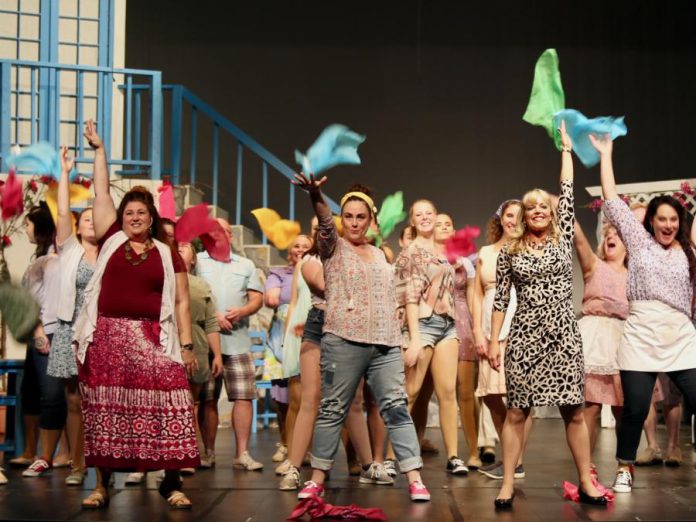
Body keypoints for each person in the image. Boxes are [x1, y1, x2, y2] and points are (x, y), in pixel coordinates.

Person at [74, 120, 199, 509]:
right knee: (105, 408)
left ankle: (171, 480)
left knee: (173, 395)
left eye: (141, 213)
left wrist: (188, 344)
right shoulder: (111, 239)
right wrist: (99, 150)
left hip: (153, 338)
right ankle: (101, 485)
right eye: (129, 212)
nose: (134, 218)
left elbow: (180, 302)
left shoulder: (168, 254)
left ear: (151, 218)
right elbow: (100, 190)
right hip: (108, 336)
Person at [292, 174, 430, 502]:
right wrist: (316, 194)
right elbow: (325, 224)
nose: (354, 223)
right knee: (333, 408)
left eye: (360, 217)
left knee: (396, 407)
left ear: (370, 220)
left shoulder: (381, 255)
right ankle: (317, 478)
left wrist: (402, 335)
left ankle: (414, 477)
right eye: (349, 216)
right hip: (344, 338)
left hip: (384, 343)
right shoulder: (334, 248)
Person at [489, 122, 606, 508]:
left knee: (574, 411)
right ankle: (507, 483)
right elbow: (501, 300)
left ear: (551, 213)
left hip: (563, 335)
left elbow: (568, 191)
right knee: (517, 411)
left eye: (544, 206)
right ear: (523, 215)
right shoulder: (509, 251)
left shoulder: (564, 235)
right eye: (532, 207)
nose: (539, 211)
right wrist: (493, 340)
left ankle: (587, 483)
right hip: (524, 336)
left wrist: (566, 151)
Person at [590, 132, 696, 493]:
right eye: (662, 219)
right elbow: (612, 199)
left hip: (680, 336)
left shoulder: (687, 251)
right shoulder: (638, 241)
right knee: (634, 408)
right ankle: (624, 467)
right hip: (640, 335)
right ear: (651, 221)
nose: (668, 225)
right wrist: (607, 154)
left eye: (674, 220)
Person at [394, 200, 467, 476]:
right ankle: (392, 457)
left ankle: (453, 456)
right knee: (410, 392)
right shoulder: (410, 253)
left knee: (448, 392)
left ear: (435, 217)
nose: (425, 218)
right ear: (412, 221)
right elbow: (409, 298)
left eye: (429, 213)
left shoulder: (442, 251)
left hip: (447, 325)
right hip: (421, 324)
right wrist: (413, 339)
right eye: (419, 214)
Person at [41, 147, 98, 485]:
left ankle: (105, 461)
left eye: (96, 218)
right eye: (86, 218)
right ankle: (78, 465)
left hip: (98, 330)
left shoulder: (110, 250)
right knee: (74, 399)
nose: (91, 222)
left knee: (100, 398)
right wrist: (65, 172)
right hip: (68, 329)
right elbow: (62, 211)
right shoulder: (71, 250)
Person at [195, 218, 264, 471]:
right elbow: (188, 293)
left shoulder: (245, 264)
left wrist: (242, 311)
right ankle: (209, 452)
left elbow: (257, 299)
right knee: (207, 398)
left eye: (222, 231)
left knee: (244, 397)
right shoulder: (197, 261)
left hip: (238, 342)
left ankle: (242, 454)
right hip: (206, 342)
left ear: (230, 236)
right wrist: (214, 316)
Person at [471, 199, 531, 480]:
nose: (513, 221)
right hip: (490, 329)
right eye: (509, 215)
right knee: (491, 395)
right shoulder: (486, 251)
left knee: (521, 398)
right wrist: (477, 332)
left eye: (519, 216)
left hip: (521, 328)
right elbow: (477, 294)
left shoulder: (530, 249)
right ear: (500, 218)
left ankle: (515, 461)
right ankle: (510, 453)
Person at [11, 204, 62, 477]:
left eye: (29, 225)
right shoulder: (39, 258)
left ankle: (50, 454)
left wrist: (41, 332)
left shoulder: (52, 259)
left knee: (52, 394)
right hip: (35, 331)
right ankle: (31, 450)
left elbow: (42, 302)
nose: (26, 229)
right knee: (29, 391)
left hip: (45, 331)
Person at [573, 220, 628, 470]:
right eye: (608, 234)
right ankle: (587, 465)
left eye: (617, 234)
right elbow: (580, 240)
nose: (611, 238)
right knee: (592, 407)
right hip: (594, 339)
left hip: (623, 339)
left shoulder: (634, 273)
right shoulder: (595, 266)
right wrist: (564, 206)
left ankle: (624, 464)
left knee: (622, 407)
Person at [436, 213, 481, 469]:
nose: (443, 226)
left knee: (465, 392)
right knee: (431, 393)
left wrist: (477, 332)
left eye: (448, 223)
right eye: (439, 223)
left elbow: (473, 297)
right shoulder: (430, 258)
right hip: (437, 322)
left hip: (463, 325)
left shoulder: (466, 263)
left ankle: (473, 451)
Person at [265, 236, 312, 466]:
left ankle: (310, 449)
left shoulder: (317, 268)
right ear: (289, 250)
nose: (301, 249)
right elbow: (274, 297)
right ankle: (287, 445)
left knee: (312, 396)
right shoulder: (280, 274)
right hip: (286, 331)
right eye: (296, 245)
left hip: (312, 329)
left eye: (306, 245)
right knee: (286, 396)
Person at [178, 241, 224, 474]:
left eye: (184, 247)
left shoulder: (201, 286)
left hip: (195, 346)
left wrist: (217, 354)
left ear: (194, 259)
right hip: (167, 344)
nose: (178, 249)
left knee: (191, 405)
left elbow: (211, 323)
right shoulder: (162, 280)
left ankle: (189, 453)